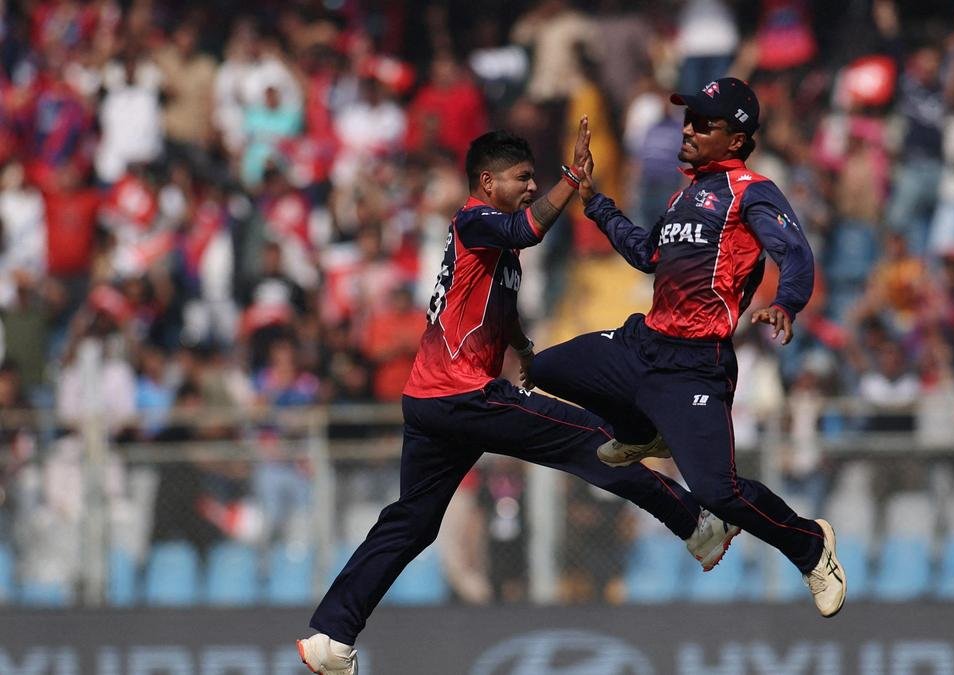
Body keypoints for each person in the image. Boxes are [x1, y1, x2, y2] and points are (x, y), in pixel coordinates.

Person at [297, 120, 739, 675]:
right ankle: (694, 525)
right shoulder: (476, 219)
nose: (531, 187)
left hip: (432, 401)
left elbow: (498, 310)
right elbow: (530, 229)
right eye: (522, 177)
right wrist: (572, 179)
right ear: (488, 182)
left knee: (412, 522)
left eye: (535, 178)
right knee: (595, 441)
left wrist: (525, 349)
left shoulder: (497, 248)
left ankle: (331, 635)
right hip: (463, 394)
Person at [529, 77, 846, 618]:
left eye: (704, 123)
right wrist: (594, 202)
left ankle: (811, 547)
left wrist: (786, 303)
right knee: (544, 369)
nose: (689, 129)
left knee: (718, 495)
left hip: (696, 366)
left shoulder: (751, 191)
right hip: (644, 344)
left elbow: (794, 252)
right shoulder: (682, 195)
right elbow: (647, 254)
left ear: (737, 139)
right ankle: (639, 431)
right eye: (689, 118)